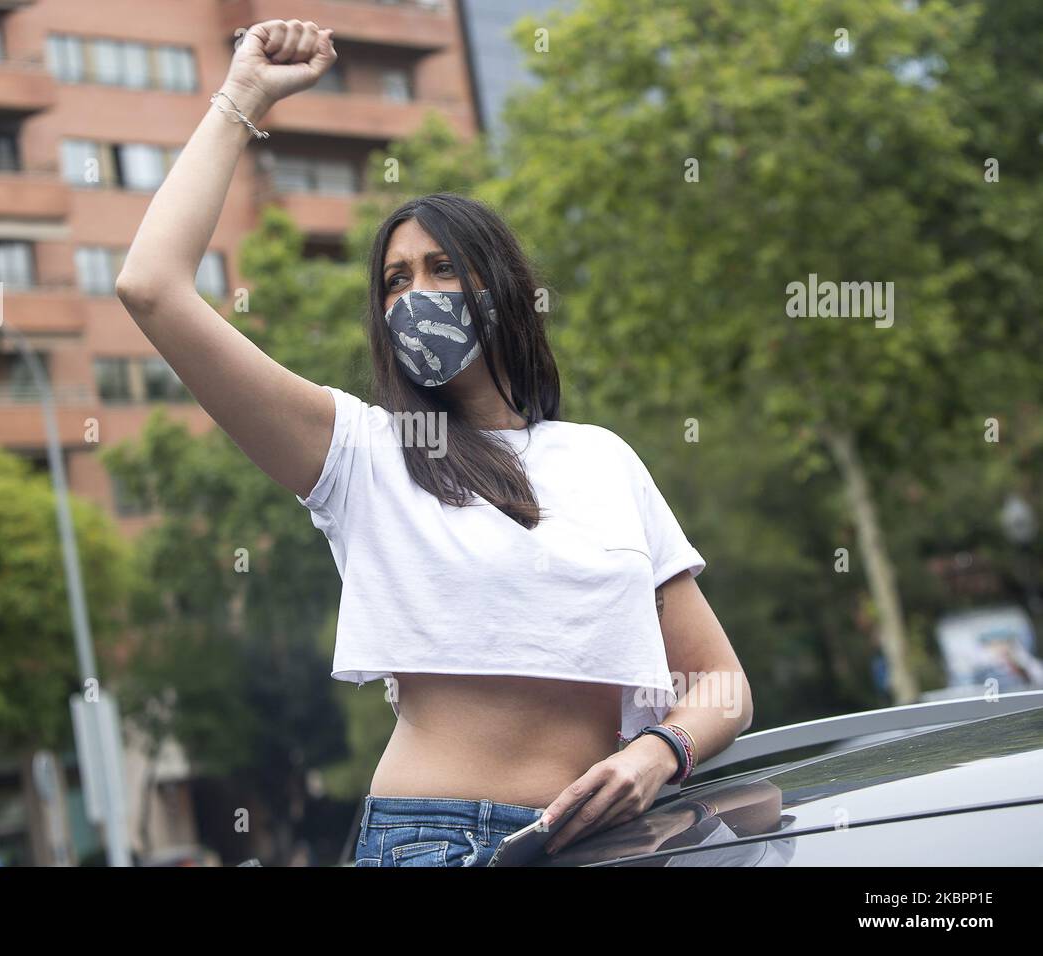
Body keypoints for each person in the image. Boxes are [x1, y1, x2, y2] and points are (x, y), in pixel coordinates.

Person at [117, 18, 753, 867]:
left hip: (615, 840)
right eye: (395, 280)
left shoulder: (602, 459)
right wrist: (243, 98)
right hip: (431, 841)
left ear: (507, 290)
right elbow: (151, 286)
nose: (417, 294)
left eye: (442, 268)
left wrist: (656, 754)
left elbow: (721, 684)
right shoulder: (361, 454)